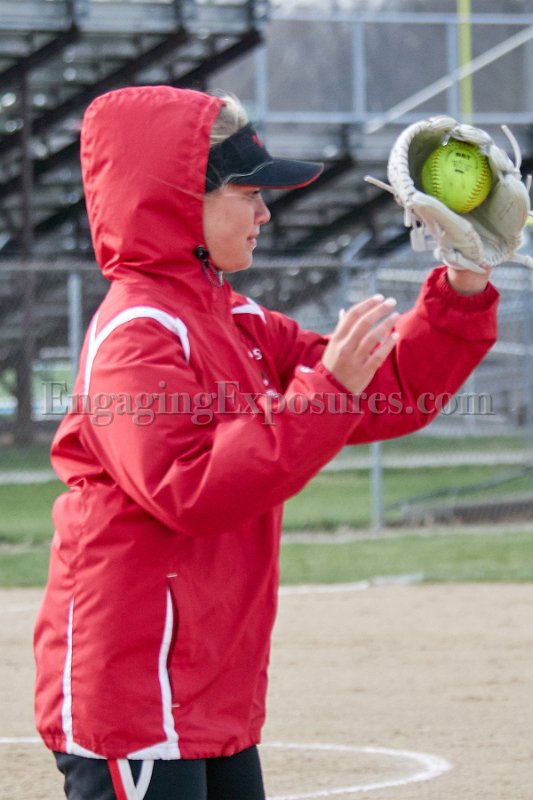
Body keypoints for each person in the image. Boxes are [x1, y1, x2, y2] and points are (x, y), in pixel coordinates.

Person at [33, 85, 498, 800]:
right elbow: (189, 488)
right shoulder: (138, 333)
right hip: (137, 688)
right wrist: (326, 391)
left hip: (209, 683)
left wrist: (463, 282)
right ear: (178, 202)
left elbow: (392, 390)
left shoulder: (235, 319)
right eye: (248, 193)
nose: (265, 213)